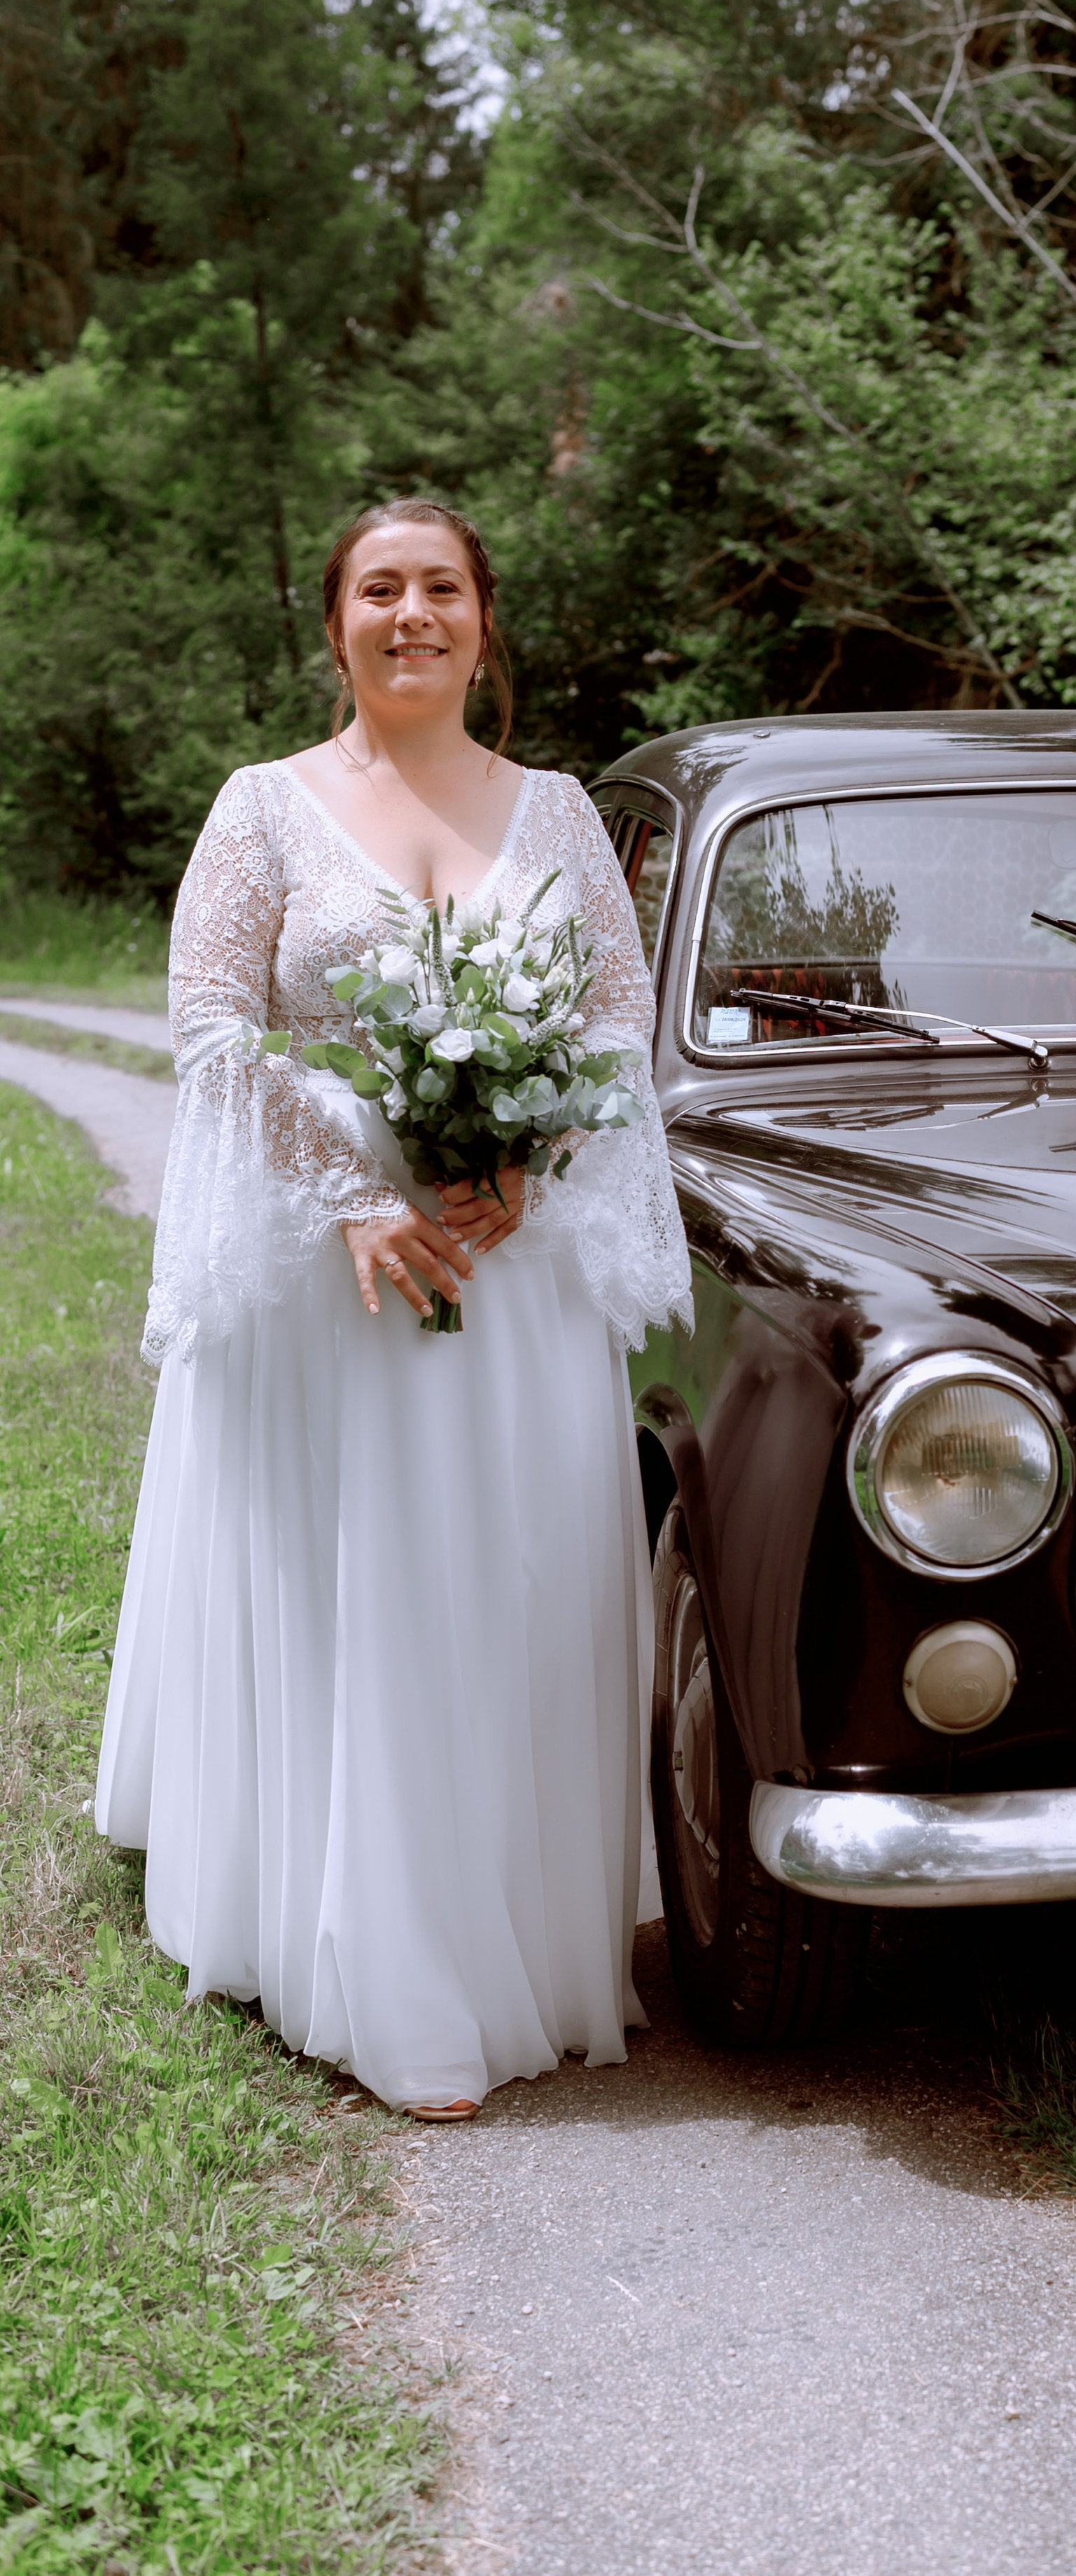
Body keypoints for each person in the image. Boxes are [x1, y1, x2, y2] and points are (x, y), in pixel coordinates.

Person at [95, 499, 691, 2120]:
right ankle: (384, 1961)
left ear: (483, 622)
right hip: (336, 1284)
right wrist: (357, 1186)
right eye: (380, 588)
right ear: (337, 623)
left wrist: (528, 1156)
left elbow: (618, 1025)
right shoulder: (263, 809)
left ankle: (521, 1924)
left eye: (440, 587)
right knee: (368, 1600)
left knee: (512, 1592)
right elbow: (213, 1028)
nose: (410, 613)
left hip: (510, 1282)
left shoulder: (559, 810)